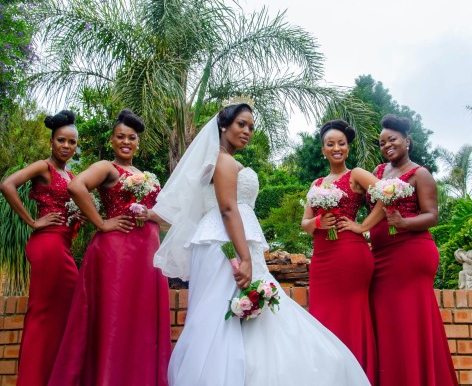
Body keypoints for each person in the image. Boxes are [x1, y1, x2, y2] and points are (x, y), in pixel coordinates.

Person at [152, 102, 371, 386]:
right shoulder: (224, 161)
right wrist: (244, 259)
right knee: (223, 318)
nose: (247, 131)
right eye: (241, 124)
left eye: (251, 127)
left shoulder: (217, 160)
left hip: (222, 241)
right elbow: (228, 209)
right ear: (223, 126)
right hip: (228, 244)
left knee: (227, 318)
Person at [48, 109, 171, 386]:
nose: (126, 141)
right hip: (117, 254)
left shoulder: (144, 174)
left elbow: (165, 216)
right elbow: (77, 187)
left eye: (132, 137)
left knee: (140, 323)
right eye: (120, 136)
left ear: (138, 142)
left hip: (147, 256)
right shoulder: (106, 167)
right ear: (112, 140)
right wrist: (102, 224)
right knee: (114, 319)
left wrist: (150, 215)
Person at [339, 114, 458, 386]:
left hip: (411, 254)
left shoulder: (420, 174)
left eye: (391, 139)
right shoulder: (379, 173)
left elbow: (431, 216)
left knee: (409, 321)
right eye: (382, 142)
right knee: (387, 323)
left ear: (407, 140)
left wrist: (404, 222)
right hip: (380, 256)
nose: (386, 145)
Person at [0, 110, 80, 386]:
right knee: (43, 315)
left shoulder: (71, 176)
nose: (66, 146)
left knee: (64, 314)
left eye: (71, 142)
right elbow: (6, 184)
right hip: (48, 245)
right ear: (51, 142)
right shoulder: (42, 167)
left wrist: (77, 217)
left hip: (63, 247)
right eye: (61, 141)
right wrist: (33, 222)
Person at [301, 119, 382, 385]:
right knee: (323, 318)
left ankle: (358, 377)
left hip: (350, 255)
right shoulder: (317, 182)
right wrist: (317, 223)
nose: (336, 148)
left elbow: (386, 196)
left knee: (351, 316)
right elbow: (305, 223)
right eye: (330, 144)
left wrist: (362, 227)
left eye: (341, 144)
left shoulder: (357, 174)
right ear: (323, 149)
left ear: (347, 148)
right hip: (322, 259)